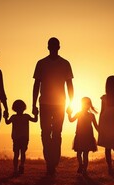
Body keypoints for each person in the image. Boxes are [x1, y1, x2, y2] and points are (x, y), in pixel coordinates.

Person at [32, 37, 74, 175]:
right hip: (44, 103)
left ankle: (53, 161)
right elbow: (36, 85)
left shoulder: (65, 64)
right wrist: (33, 104)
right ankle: (50, 162)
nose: (54, 48)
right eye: (52, 46)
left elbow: (70, 85)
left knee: (56, 133)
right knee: (46, 133)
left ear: (58, 47)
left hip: (59, 104)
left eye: (55, 46)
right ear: (48, 47)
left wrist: (71, 103)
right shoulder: (41, 63)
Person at [4, 99, 38, 175]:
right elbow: (35, 120)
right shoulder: (26, 116)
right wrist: (36, 114)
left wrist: (5, 117)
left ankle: (16, 169)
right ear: (24, 108)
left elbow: (7, 122)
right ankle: (21, 166)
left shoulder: (13, 117)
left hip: (16, 138)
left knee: (16, 154)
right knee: (22, 153)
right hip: (24, 138)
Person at [67, 97, 99, 175]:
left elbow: (96, 126)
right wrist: (69, 114)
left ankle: (84, 168)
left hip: (86, 136)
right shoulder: (81, 114)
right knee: (81, 153)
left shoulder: (91, 115)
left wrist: (102, 132)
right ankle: (82, 166)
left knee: (83, 154)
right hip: (81, 136)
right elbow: (71, 120)